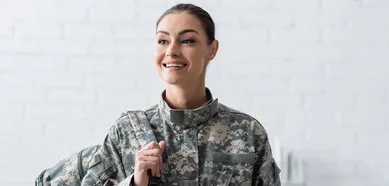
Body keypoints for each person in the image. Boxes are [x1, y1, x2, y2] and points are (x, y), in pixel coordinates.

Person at [80, 3, 281, 186]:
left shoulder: (249, 134)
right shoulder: (125, 132)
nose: (172, 50)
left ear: (212, 49)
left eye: (187, 40)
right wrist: (134, 183)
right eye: (163, 40)